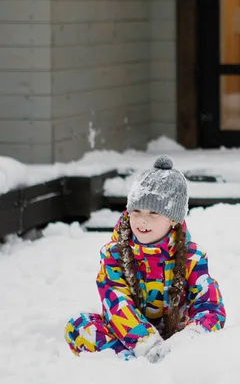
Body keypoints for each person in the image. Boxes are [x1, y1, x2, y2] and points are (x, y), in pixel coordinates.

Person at [65, 155, 226, 362]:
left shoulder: (192, 258)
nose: (143, 219)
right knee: (79, 327)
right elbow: (117, 303)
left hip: (176, 340)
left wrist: (186, 339)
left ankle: (171, 360)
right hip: (131, 337)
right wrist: (148, 345)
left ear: (174, 220)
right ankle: (139, 365)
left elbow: (210, 306)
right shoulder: (113, 255)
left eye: (154, 212)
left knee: (209, 331)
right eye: (137, 210)